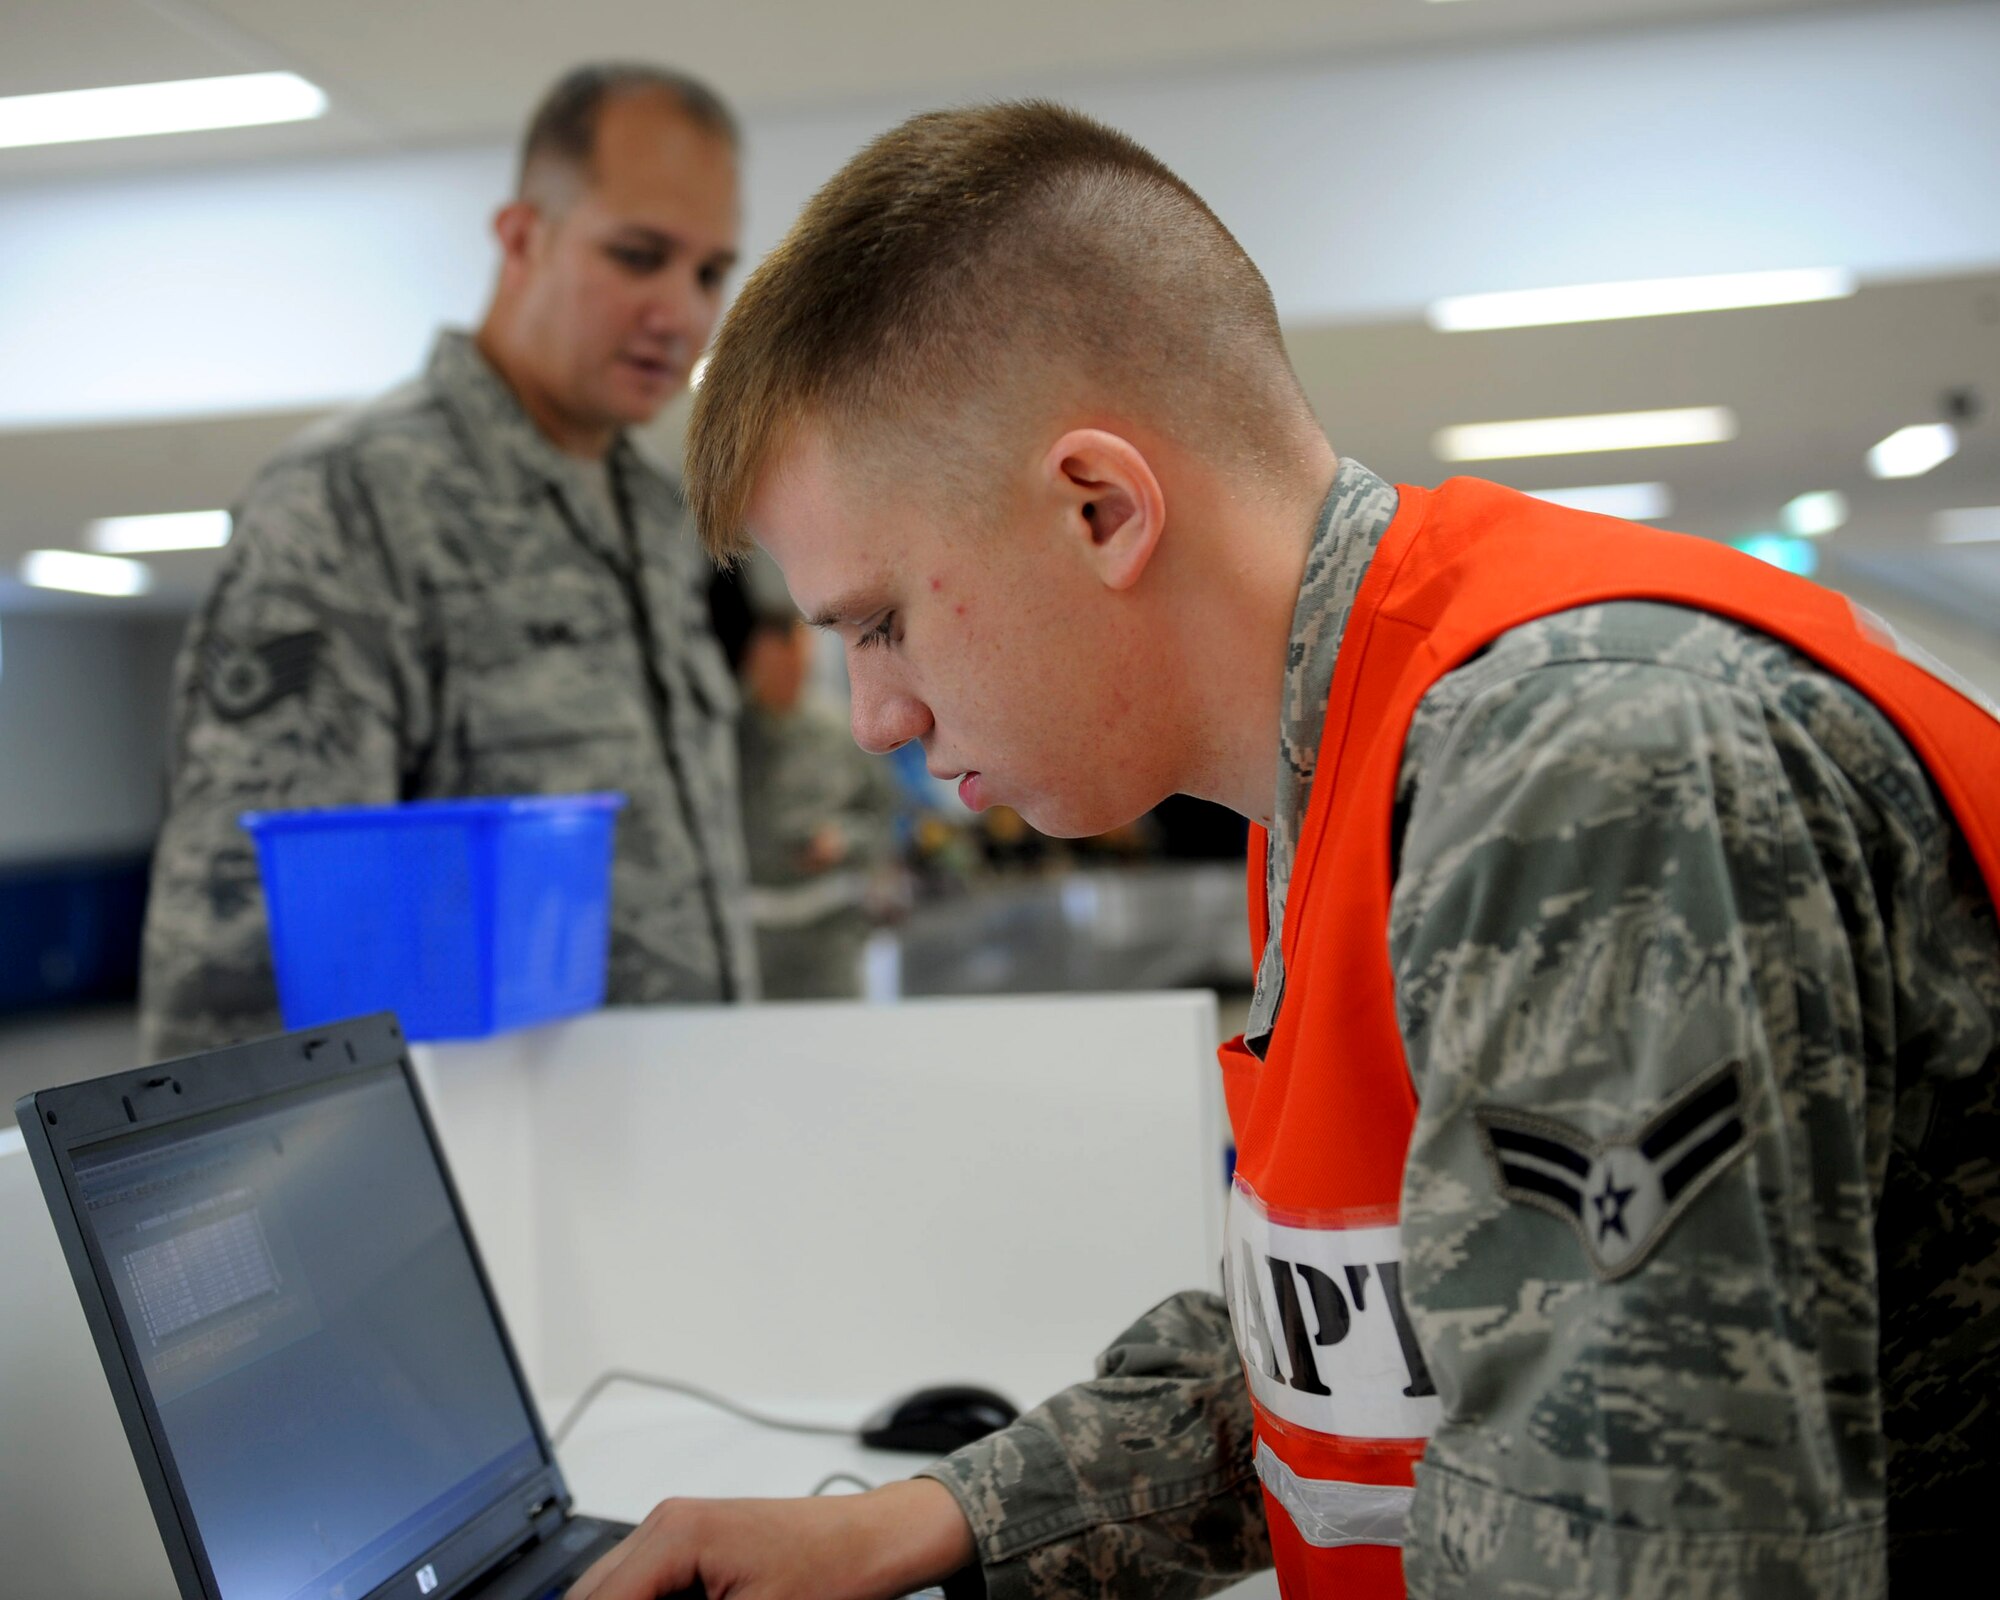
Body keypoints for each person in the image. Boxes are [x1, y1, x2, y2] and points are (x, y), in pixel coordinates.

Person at [571, 103, 2000, 1600]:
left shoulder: (1587, 765)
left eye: (882, 621)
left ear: (1100, 507)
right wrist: (928, 1522)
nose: (874, 716)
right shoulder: (1340, 770)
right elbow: (1396, 1337)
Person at [139, 64, 758, 1058]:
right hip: (480, 1164)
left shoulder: (653, 513)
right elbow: (239, 943)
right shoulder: (354, 497)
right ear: (521, 237)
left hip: (669, 1146)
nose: (680, 313)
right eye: (637, 255)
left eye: (708, 272)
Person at [708, 566, 901, 998]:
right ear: (753, 657)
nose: (795, 664)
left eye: (800, 647)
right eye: (778, 651)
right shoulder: (723, 739)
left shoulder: (842, 733)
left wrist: (843, 841)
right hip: (750, 941)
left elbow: (884, 820)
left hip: (829, 939)